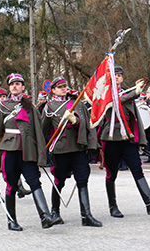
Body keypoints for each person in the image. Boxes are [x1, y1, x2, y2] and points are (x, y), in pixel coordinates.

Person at [0, 73, 59, 231]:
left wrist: (41, 155)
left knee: (34, 182)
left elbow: (38, 133)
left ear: (23, 87)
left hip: (28, 150)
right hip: (10, 150)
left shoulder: (30, 107)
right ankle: (11, 221)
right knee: (11, 186)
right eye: (12, 84)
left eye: (18, 84)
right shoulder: (3, 106)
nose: (15, 86)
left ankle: (45, 216)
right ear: (9, 87)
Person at [100, 66, 150, 217]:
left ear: (122, 78)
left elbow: (135, 117)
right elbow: (116, 101)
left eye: (119, 75)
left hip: (127, 140)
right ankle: (113, 207)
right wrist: (135, 92)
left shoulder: (126, 93)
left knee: (138, 170)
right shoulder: (105, 94)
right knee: (112, 174)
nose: (117, 77)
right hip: (111, 140)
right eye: (114, 75)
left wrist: (140, 140)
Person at [42, 76, 102, 227]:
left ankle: (86, 215)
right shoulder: (49, 107)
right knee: (59, 181)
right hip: (60, 148)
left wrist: (76, 121)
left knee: (82, 179)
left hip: (77, 146)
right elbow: (44, 130)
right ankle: (55, 211)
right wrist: (42, 152)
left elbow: (88, 124)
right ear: (53, 89)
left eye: (64, 86)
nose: (63, 89)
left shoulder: (77, 104)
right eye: (59, 87)